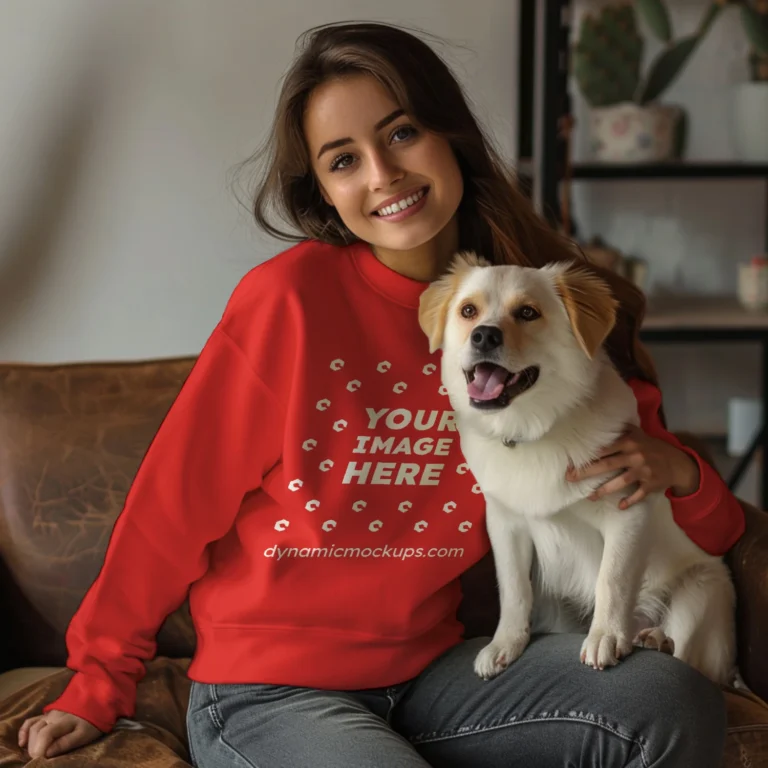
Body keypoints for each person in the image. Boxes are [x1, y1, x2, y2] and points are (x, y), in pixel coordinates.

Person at [18, 20, 745, 767]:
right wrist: (97, 681)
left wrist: (682, 474)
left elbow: (696, 520)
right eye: (343, 160)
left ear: (449, 134)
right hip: (269, 690)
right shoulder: (288, 303)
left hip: (434, 676)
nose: (382, 175)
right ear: (327, 193)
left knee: (665, 701)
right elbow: (171, 506)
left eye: (401, 134)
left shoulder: (538, 313)